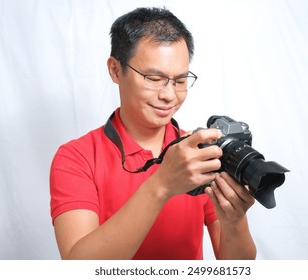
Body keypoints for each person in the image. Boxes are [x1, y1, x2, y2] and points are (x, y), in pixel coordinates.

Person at [50, 7, 256, 260]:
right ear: (115, 70)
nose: (169, 95)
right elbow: (79, 268)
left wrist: (235, 220)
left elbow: (236, 268)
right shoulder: (77, 157)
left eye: (180, 81)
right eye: (153, 78)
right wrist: (162, 184)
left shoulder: (200, 152)